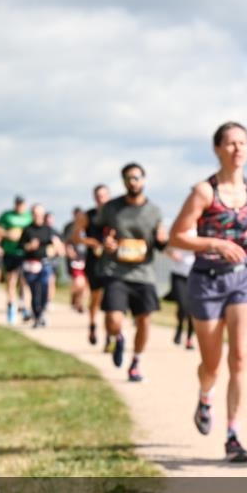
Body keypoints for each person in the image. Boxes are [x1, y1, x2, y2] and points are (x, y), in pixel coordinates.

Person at [169, 122, 247, 464]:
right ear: (217, 149)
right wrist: (215, 242)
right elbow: (177, 236)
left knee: (240, 357)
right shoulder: (203, 191)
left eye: (242, 143)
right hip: (207, 280)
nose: (237, 149)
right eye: (230, 143)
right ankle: (205, 394)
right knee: (212, 363)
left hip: (245, 277)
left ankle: (232, 435)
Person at [96, 163, 168, 382]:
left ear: (144, 180)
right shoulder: (111, 208)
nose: (133, 181)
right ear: (123, 181)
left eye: (137, 177)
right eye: (129, 178)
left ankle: (135, 362)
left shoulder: (154, 211)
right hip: (116, 271)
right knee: (114, 320)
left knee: (144, 321)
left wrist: (162, 240)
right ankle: (118, 338)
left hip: (143, 272)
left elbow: (160, 243)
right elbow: (99, 231)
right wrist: (105, 241)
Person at [75, 185, 111, 346]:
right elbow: (76, 237)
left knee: (111, 299)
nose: (100, 198)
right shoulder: (88, 215)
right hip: (94, 261)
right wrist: (92, 242)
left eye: (103, 195)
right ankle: (92, 324)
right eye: (98, 195)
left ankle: (110, 334)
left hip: (111, 262)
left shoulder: (115, 215)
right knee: (96, 297)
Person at [18, 204, 65, 327]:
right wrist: (29, 246)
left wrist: (57, 246)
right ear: (32, 214)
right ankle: (37, 316)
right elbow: (21, 246)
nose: (38, 216)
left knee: (44, 289)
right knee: (35, 291)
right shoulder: (27, 230)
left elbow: (60, 247)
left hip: (45, 264)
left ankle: (41, 313)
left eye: (40, 214)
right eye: (35, 214)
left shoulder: (49, 230)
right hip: (31, 264)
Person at [0, 195, 34, 325]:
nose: (19, 206)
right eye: (18, 204)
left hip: (24, 253)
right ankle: (11, 307)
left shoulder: (29, 216)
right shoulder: (6, 216)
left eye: (22, 204)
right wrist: (7, 234)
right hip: (10, 252)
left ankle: (25, 308)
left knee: (25, 282)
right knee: (11, 281)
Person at [166, 232, 197, 349]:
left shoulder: (203, 228)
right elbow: (166, 246)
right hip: (178, 275)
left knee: (193, 309)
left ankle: (189, 338)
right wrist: (172, 253)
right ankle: (179, 326)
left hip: (195, 275)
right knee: (183, 306)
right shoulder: (179, 228)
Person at [63, 207, 88, 313]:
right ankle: (76, 302)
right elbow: (65, 241)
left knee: (84, 284)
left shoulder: (87, 226)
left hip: (85, 258)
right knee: (78, 282)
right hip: (74, 259)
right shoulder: (70, 227)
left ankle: (79, 303)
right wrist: (69, 251)